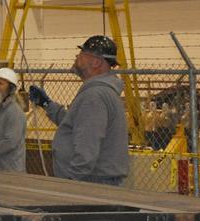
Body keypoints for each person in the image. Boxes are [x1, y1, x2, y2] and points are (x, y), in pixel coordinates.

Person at [28, 35, 130, 186]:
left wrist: (71, 182)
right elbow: (76, 125)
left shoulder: (94, 96)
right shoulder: (99, 93)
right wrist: (47, 104)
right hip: (96, 181)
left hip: (91, 185)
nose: (77, 56)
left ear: (96, 62)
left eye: (82, 53)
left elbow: (87, 145)